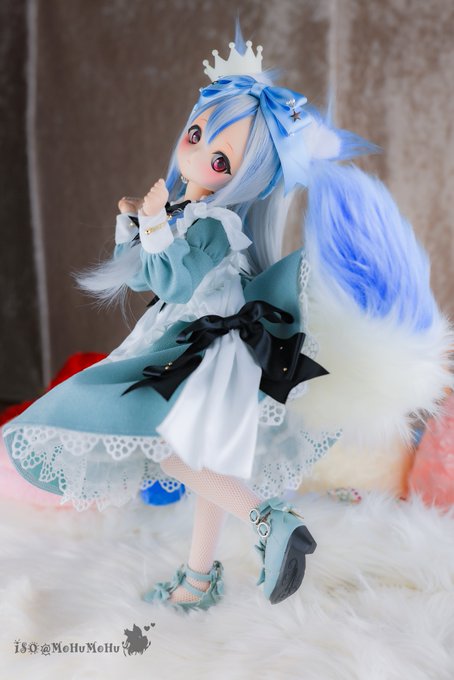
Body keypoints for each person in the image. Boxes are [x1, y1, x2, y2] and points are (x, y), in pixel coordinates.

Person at [2, 28, 451, 612]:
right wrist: (135, 224)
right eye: (196, 136)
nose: (197, 157)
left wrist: (157, 227)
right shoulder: (188, 210)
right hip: (188, 347)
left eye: (220, 159)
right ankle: (197, 578)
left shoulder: (217, 224)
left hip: (204, 353)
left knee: (170, 450)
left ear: (247, 177)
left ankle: (267, 518)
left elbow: (174, 282)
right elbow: (138, 277)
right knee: (203, 460)